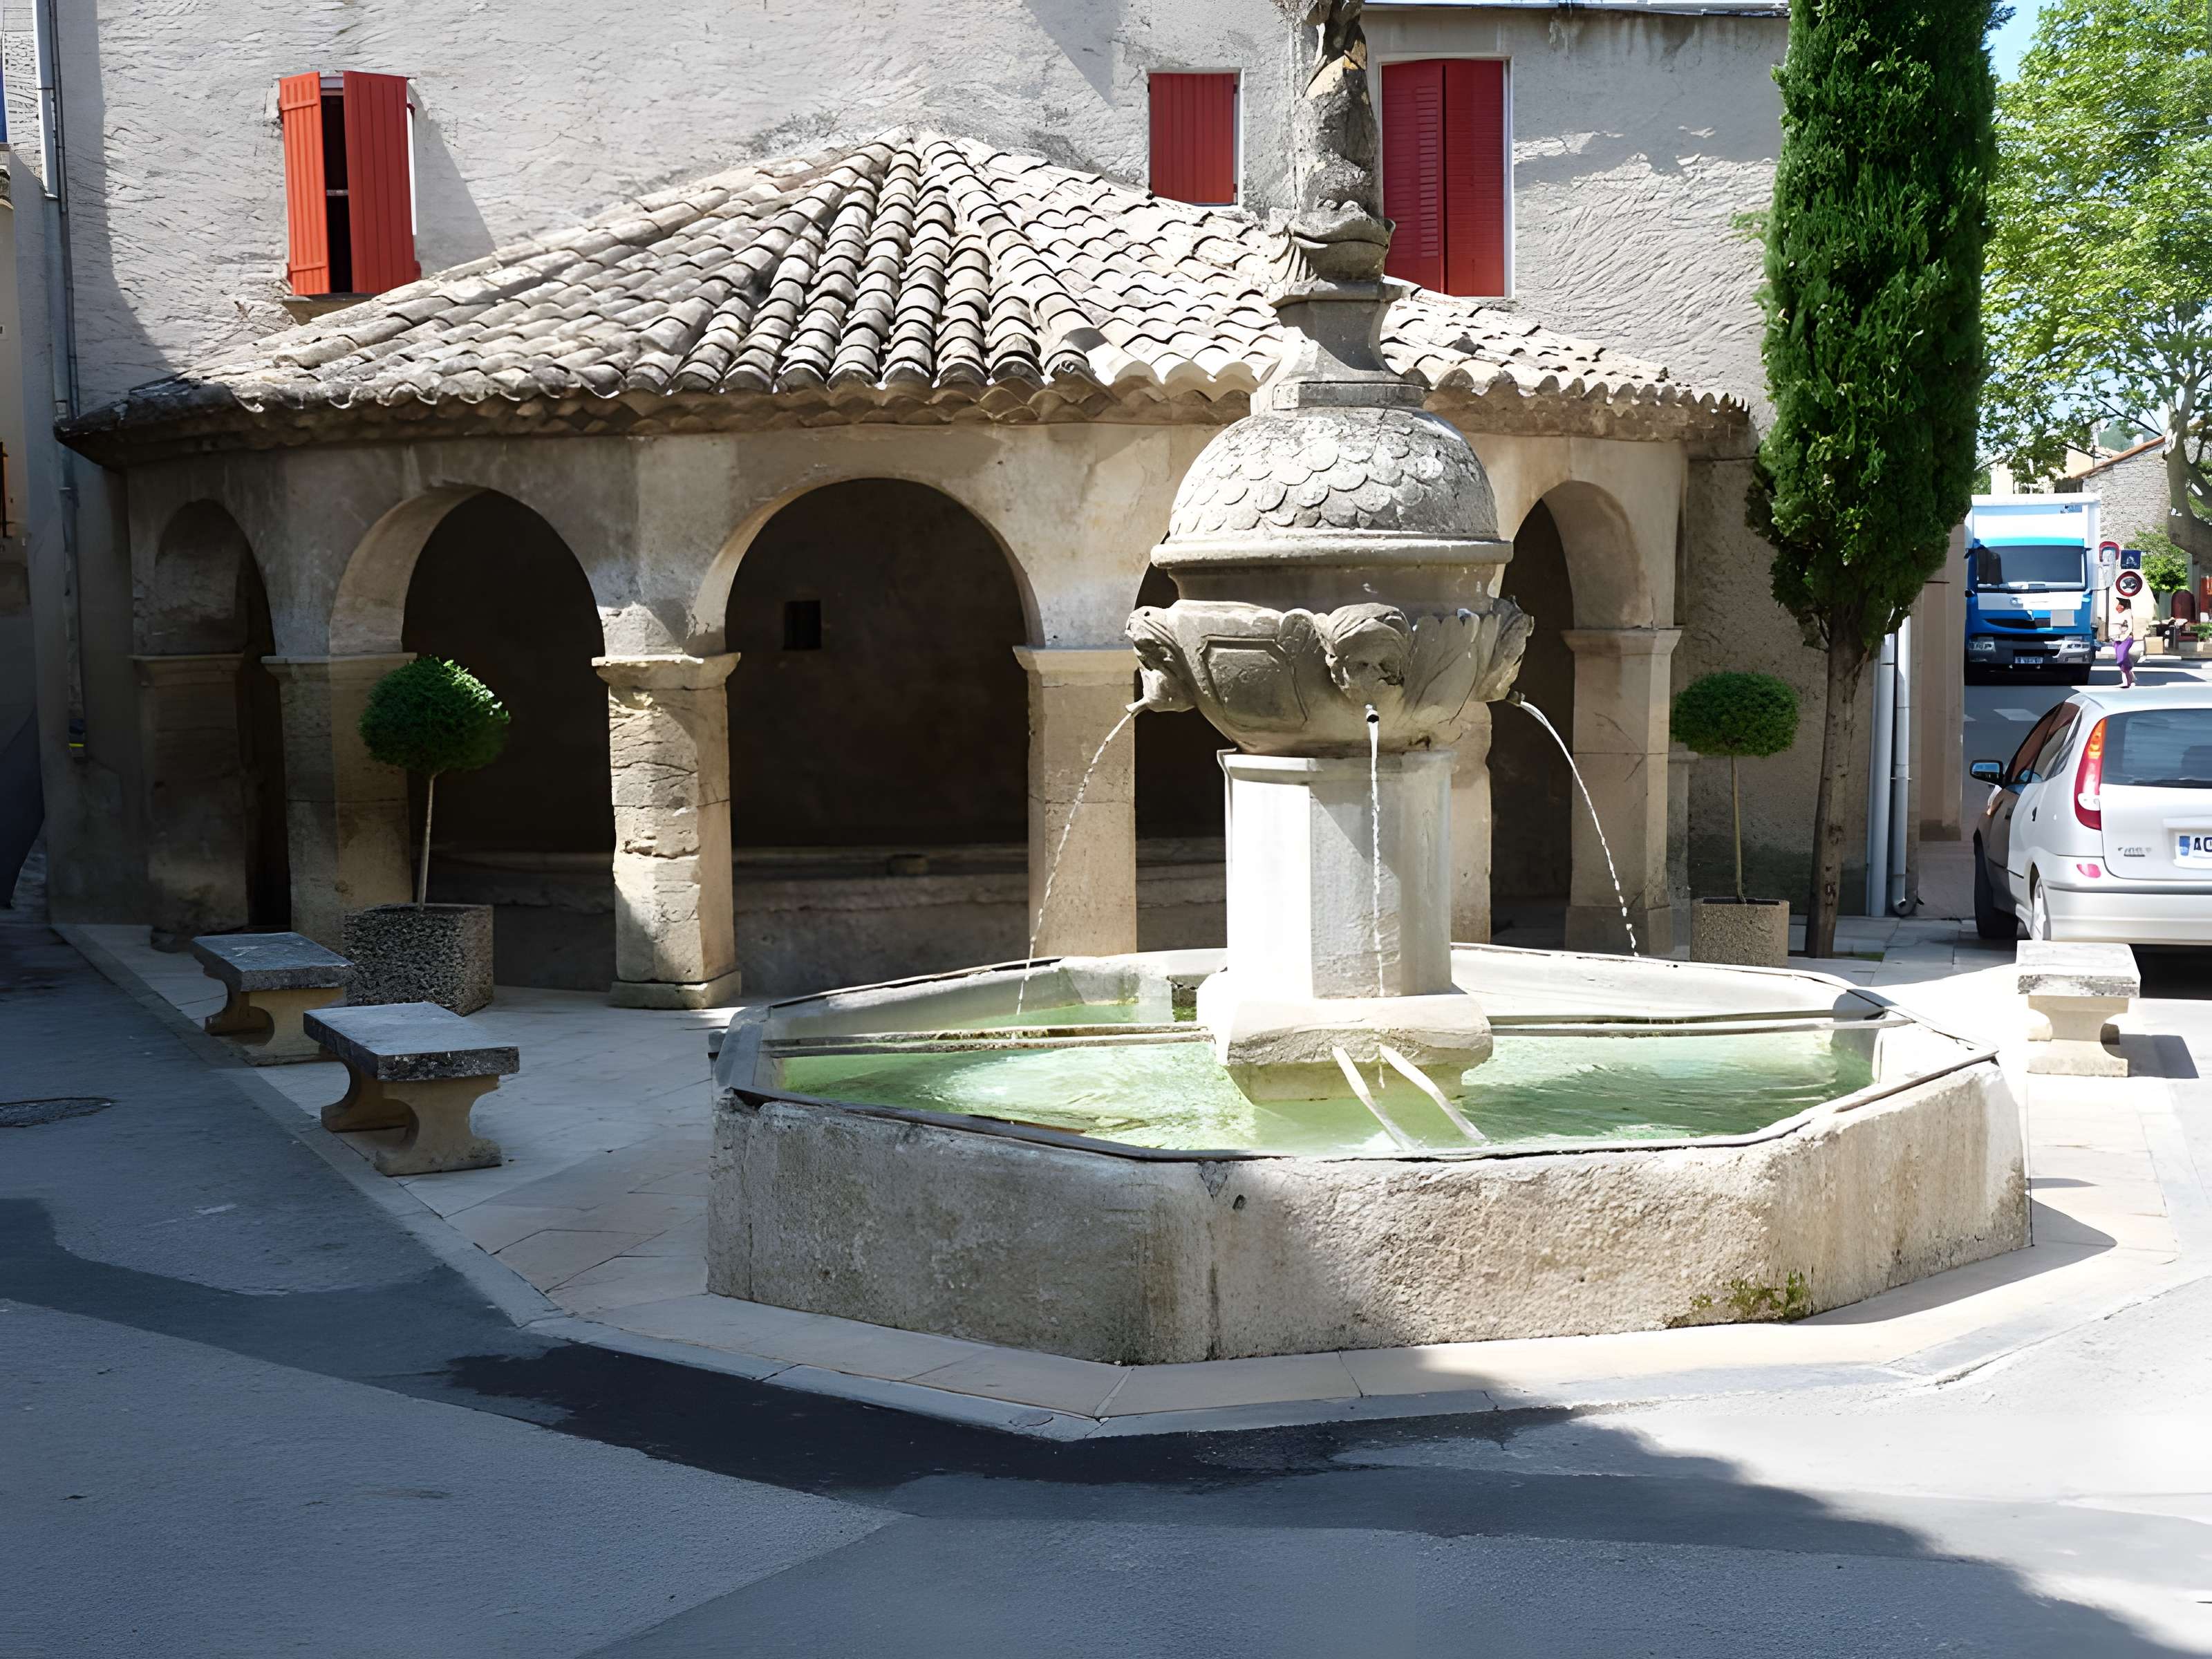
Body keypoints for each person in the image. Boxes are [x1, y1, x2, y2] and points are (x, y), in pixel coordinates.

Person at [2113, 595, 2139, 688]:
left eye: (2119, 605)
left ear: (2123, 606)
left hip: (2126, 638)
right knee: (2120, 660)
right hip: (2117, 639)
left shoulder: (2128, 613)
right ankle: (2127, 680)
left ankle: (2129, 674)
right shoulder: (2118, 614)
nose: (2117, 607)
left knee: (2122, 658)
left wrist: (2123, 637)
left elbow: (2130, 627)